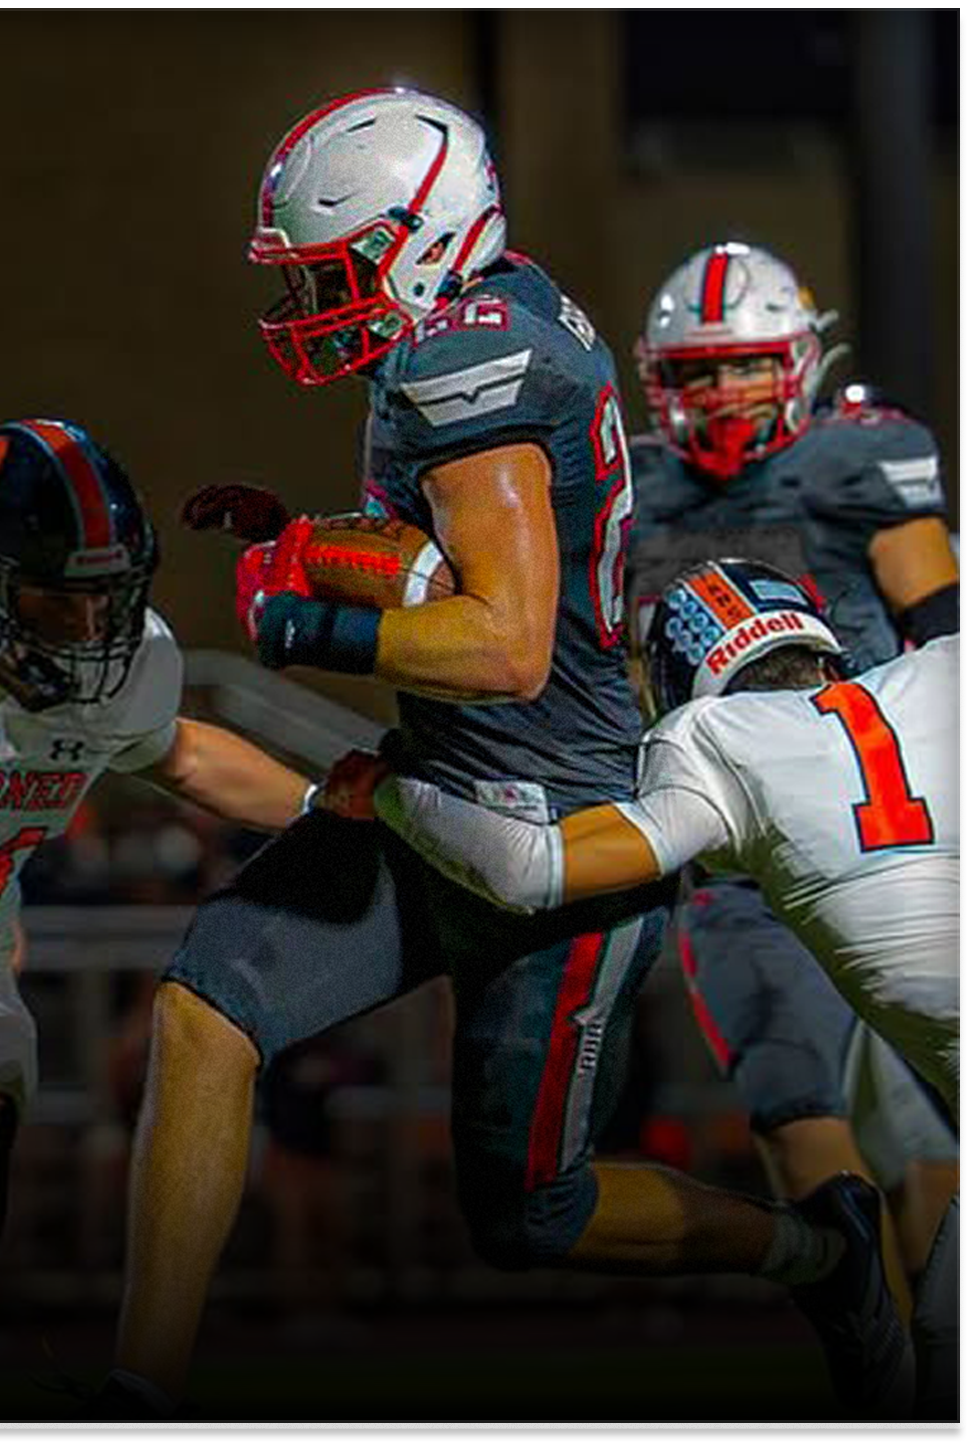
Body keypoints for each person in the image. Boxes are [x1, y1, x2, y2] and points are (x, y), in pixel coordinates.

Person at [93, 91, 913, 1421]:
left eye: (333, 269)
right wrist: (310, 540)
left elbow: (504, 643)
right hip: (433, 794)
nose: (311, 299)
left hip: (555, 834)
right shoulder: (484, 317)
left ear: (420, 244)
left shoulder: (465, 365)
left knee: (532, 1212)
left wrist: (309, 622)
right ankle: (142, 1386)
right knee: (205, 1013)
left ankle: (817, 1252)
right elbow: (456, 558)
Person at [337, 557, 958, 1417]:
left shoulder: (709, 737)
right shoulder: (943, 669)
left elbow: (529, 869)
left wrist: (391, 795)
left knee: (939, 1360)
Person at [0, 417, 315, 1419]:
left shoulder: (130, 669)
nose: (87, 629)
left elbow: (182, 756)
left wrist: (330, 808)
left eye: (105, 598)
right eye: (56, 598)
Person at [624, 241, 959, 1354]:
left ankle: (932, 1370)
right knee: (794, 1114)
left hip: (878, 831)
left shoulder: (860, 463)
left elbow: (945, 633)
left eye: (745, 366)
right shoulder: (627, 492)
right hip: (732, 851)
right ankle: (882, 1369)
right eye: (700, 371)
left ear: (801, 363)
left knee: (926, 1147)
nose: (723, 392)